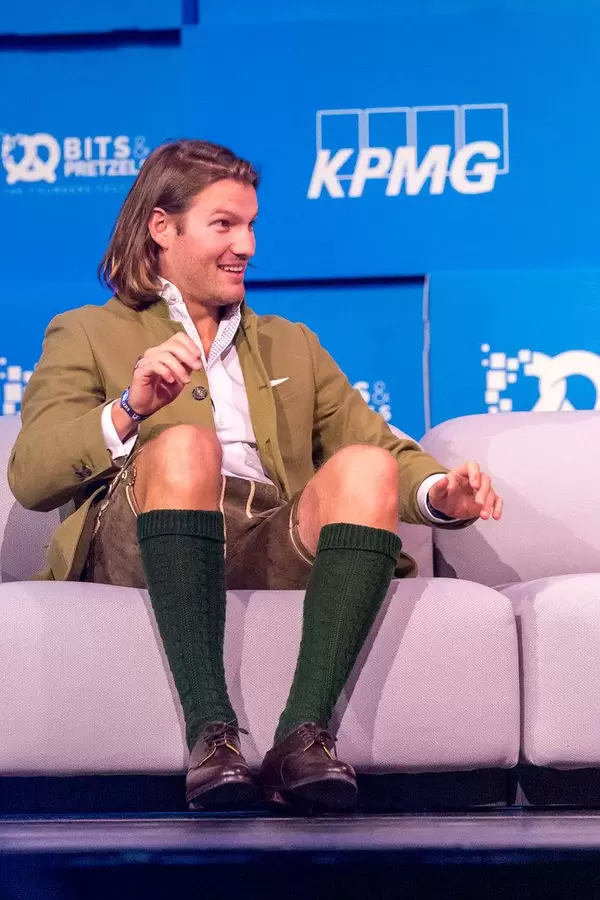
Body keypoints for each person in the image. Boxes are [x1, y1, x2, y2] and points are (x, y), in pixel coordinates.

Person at [8, 139, 503, 813]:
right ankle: (211, 735)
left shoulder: (290, 341)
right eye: (224, 225)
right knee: (186, 445)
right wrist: (128, 409)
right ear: (162, 228)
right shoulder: (89, 331)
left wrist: (439, 494)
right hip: (146, 536)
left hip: (267, 532)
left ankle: (303, 738)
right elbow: (33, 474)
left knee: (367, 463)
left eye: (251, 225)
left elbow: (375, 440)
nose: (247, 245)